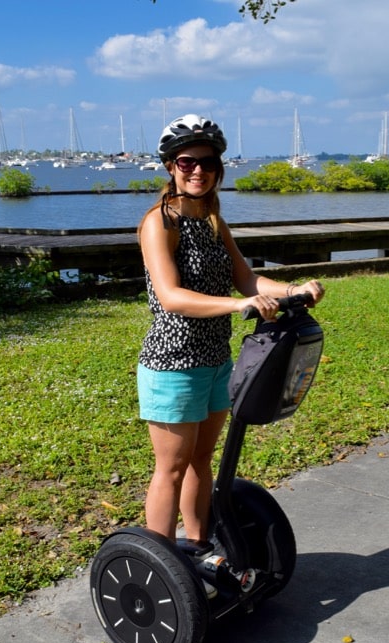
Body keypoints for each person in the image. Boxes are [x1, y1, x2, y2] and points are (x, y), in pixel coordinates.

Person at [137, 114, 325, 544]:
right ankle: (164, 560)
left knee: (202, 460)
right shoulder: (159, 223)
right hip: (173, 364)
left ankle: (201, 548)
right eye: (187, 162)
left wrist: (294, 288)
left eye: (207, 163)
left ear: (219, 169)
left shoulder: (213, 222)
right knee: (171, 468)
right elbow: (170, 296)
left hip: (216, 360)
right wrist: (239, 305)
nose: (197, 170)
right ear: (171, 167)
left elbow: (247, 278)